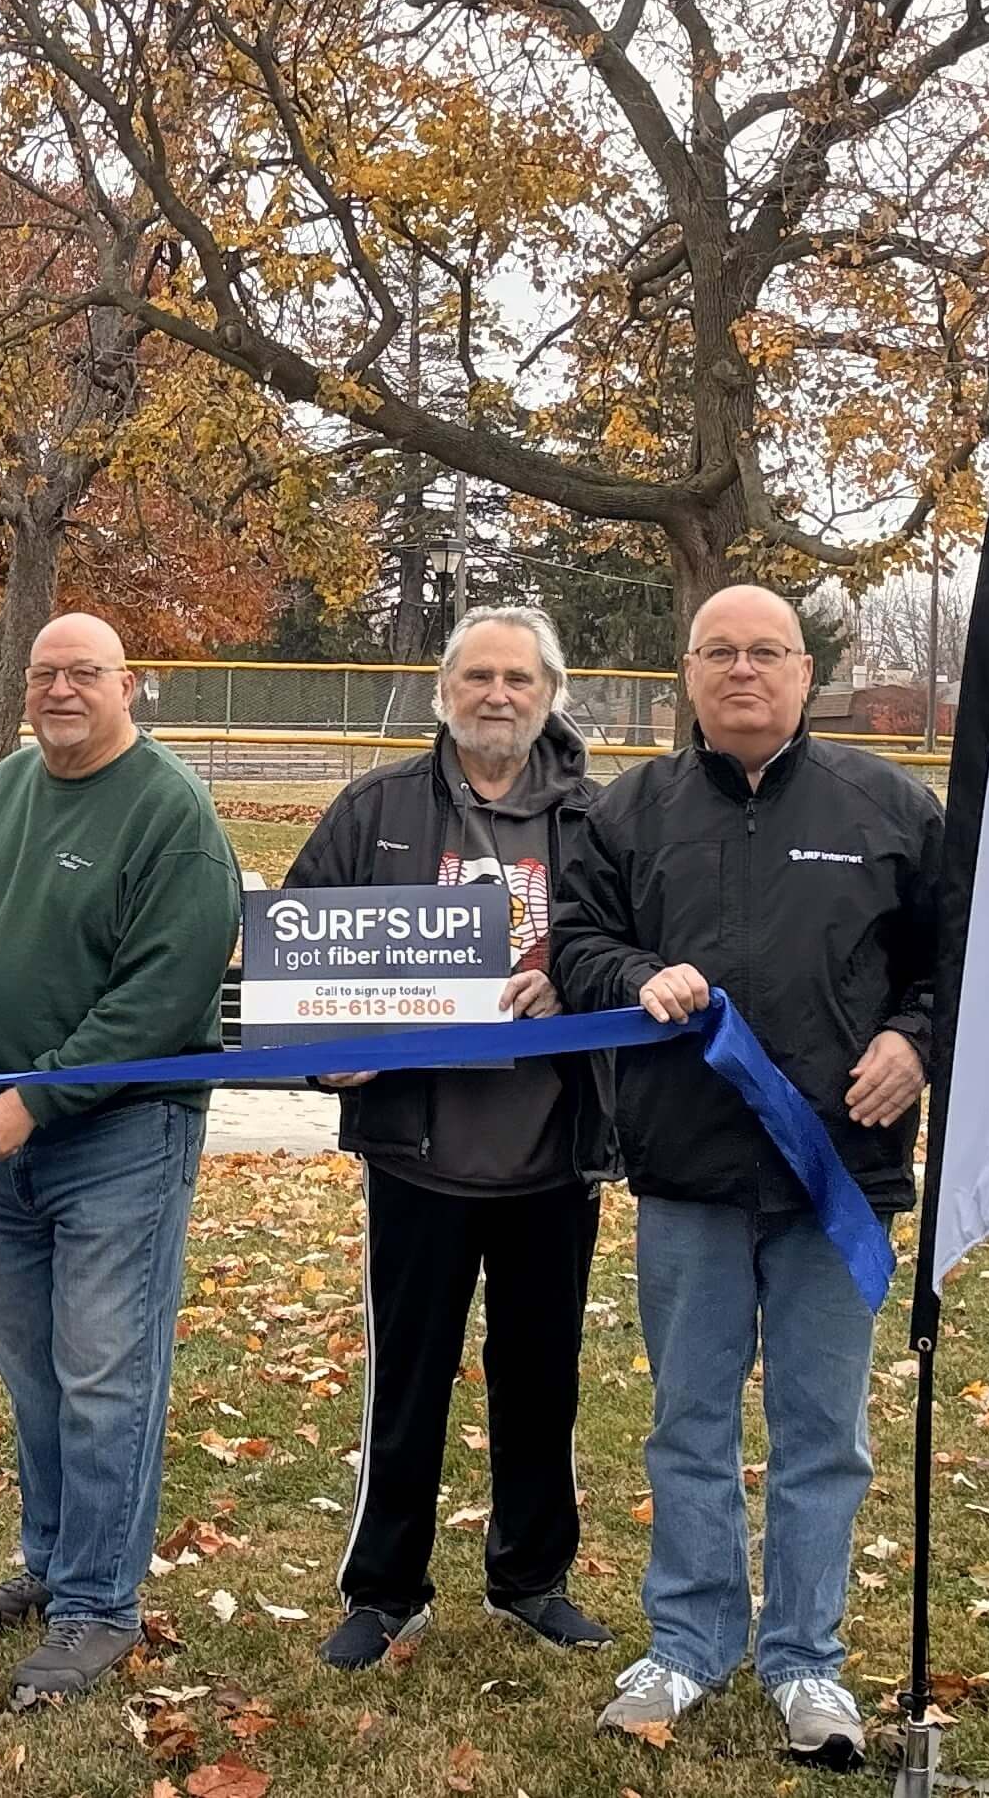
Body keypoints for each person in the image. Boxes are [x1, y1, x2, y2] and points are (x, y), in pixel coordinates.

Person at [549, 585, 940, 1769]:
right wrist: (631, 977)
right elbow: (572, 944)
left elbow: (953, 960)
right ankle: (689, 1641)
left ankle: (807, 1663)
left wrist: (917, 1039)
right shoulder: (631, 810)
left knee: (823, 1432)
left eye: (765, 651)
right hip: (688, 1172)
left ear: (805, 673)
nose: (741, 672)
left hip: (837, 1176)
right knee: (688, 1425)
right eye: (717, 652)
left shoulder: (887, 805)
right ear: (686, 672)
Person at [0, 612, 242, 1704]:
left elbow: (160, 999)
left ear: (128, 685)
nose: (58, 691)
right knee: (33, 1369)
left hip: (115, 1137)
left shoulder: (170, 815)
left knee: (102, 1377)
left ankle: (99, 1605)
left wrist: (34, 1099)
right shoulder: (1, 787)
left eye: (83, 673)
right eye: (43, 674)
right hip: (6, 1142)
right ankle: (51, 1563)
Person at [280, 604, 618, 1672]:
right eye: (477, 677)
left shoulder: (600, 822)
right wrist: (323, 1052)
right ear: (443, 691)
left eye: (519, 678)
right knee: (408, 1380)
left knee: (543, 1376)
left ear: (551, 694)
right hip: (418, 1154)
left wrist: (574, 980)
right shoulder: (375, 810)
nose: (498, 695)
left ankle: (531, 1579)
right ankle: (383, 1591)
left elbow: (630, 944)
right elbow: (296, 946)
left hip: (552, 1151)